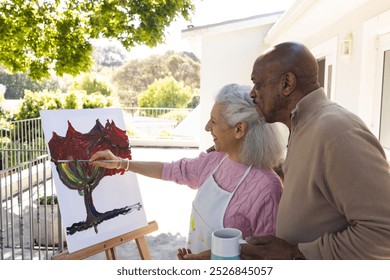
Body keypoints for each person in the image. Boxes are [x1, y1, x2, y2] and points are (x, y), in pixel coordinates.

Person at [90, 83, 284, 259]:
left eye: (214, 121)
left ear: (239, 129)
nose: (207, 127)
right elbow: (168, 170)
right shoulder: (214, 160)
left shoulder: (267, 187)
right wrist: (122, 164)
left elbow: (265, 259)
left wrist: (206, 259)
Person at [241, 41, 390, 260]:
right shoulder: (305, 126)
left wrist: (295, 253)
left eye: (258, 84)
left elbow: (383, 231)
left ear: (287, 83)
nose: (253, 94)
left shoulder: (336, 132)